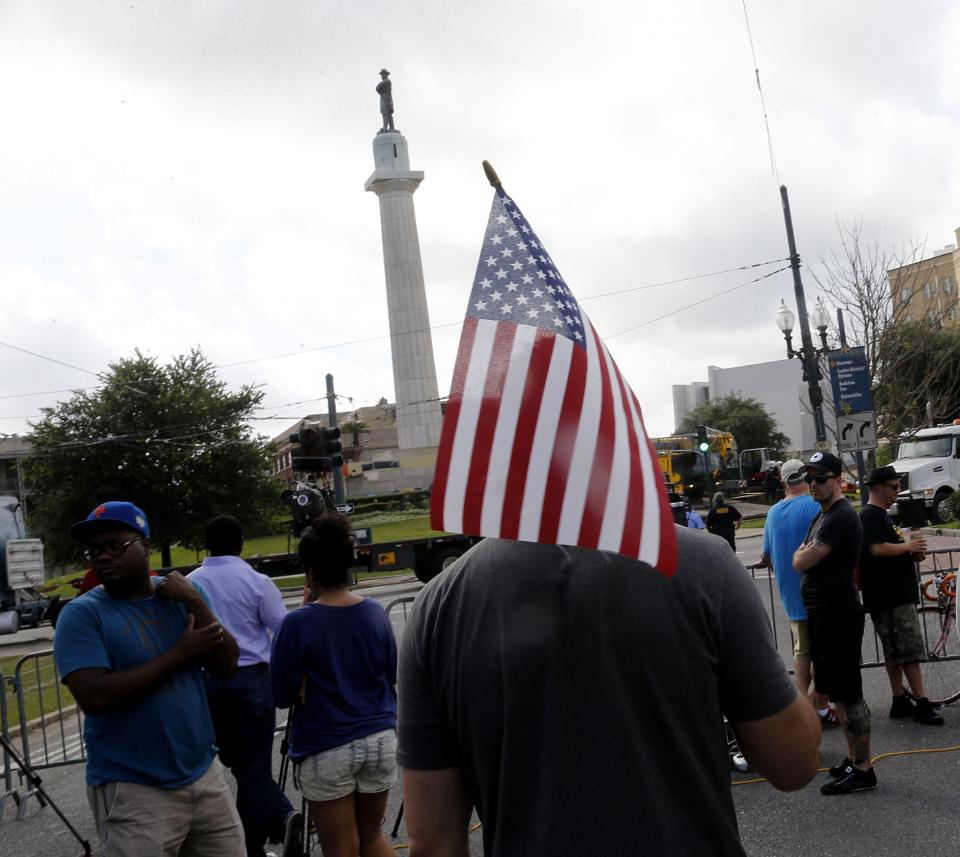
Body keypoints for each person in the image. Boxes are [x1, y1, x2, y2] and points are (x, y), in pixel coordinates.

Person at [398, 529, 821, 856]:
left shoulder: (437, 606)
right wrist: (789, 684)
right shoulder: (700, 561)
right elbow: (794, 763)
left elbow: (434, 842)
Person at [53, 501, 244, 855]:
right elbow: (95, 697)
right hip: (133, 789)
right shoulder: (81, 616)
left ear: (146, 545)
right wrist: (179, 654)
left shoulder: (181, 596)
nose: (103, 557)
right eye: (95, 549)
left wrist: (196, 602)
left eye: (115, 545)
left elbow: (227, 664)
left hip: (204, 775)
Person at [271, 513, 398, 857]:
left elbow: (282, 694)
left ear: (310, 572)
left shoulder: (296, 624)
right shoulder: (375, 613)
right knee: (371, 836)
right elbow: (391, 675)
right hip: (380, 738)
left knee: (341, 847)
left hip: (327, 746)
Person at [187, 515, 300, 857]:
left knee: (223, 766)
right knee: (252, 769)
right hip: (251, 680)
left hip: (205, 683)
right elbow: (282, 629)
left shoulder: (190, 585)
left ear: (206, 544)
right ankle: (254, 844)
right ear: (240, 544)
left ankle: (281, 816)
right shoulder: (256, 581)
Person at [792, 452, 876, 795]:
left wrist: (802, 555)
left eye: (820, 478)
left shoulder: (840, 517)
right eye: (808, 478)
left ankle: (863, 769)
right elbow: (802, 554)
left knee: (849, 692)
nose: (813, 483)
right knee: (837, 694)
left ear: (838, 479)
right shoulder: (822, 515)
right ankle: (852, 756)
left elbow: (803, 558)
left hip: (837, 613)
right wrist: (802, 554)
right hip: (823, 614)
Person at [859, 465, 944, 726]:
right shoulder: (870, 516)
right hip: (890, 595)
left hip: (890, 593)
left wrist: (910, 551)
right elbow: (876, 549)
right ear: (878, 487)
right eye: (894, 487)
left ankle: (899, 700)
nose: (898, 492)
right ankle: (922, 702)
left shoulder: (881, 516)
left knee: (895, 652)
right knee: (909, 650)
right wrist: (907, 546)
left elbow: (889, 548)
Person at [757, 459, 838, 728]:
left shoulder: (773, 513)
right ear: (807, 478)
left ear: (782, 482)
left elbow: (765, 555)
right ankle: (814, 708)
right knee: (819, 652)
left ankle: (812, 706)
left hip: (791, 596)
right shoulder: (816, 506)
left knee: (805, 650)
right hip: (819, 592)